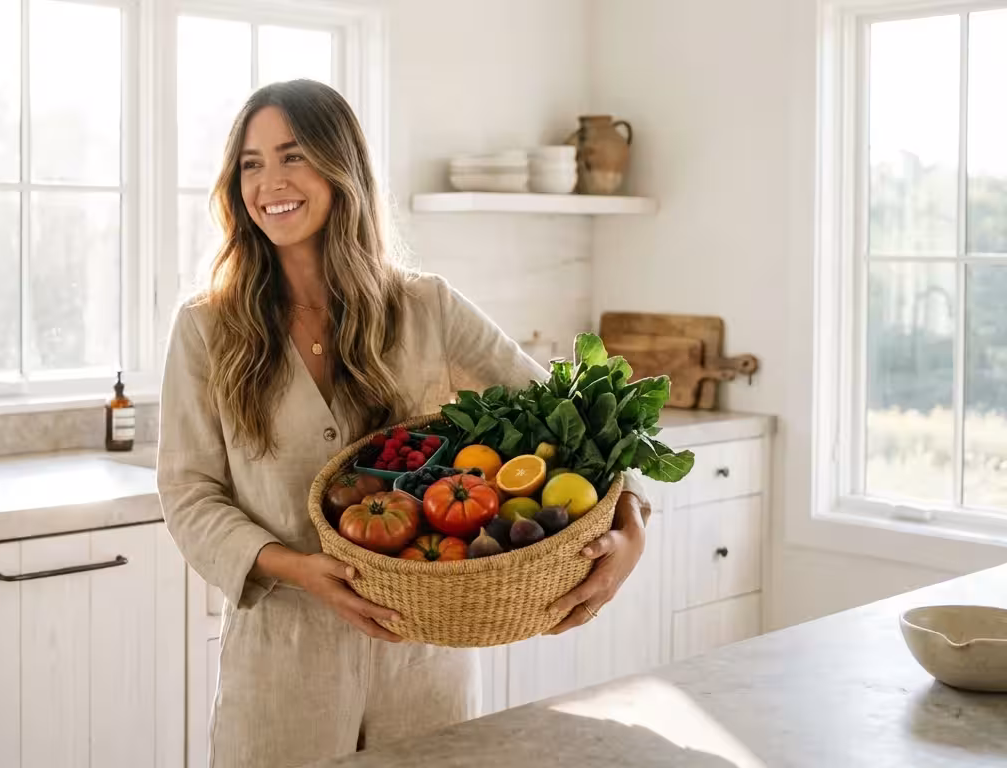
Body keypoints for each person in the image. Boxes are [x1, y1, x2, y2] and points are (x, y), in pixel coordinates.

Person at [157, 79, 651, 768]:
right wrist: (300, 569)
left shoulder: (427, 310)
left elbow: (566, 426)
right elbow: (188, 494)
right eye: (251, 163)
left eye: (293, 156)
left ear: (340, 168)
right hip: (282, 663)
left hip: (425, 658)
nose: (270, 181)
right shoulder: (207, 329)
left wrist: (629, 526)